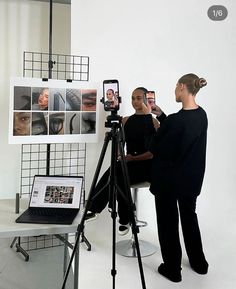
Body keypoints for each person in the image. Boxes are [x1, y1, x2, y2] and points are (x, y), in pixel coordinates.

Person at [149, 73, 209, 282]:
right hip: (191, 181)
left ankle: (172, 269)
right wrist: (163, 116)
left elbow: (156, 147)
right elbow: (181, 134)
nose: (174, 90)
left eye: (176, 86)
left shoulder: (176, 121)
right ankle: (199, 262)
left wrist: (157, 127)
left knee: (168, 222)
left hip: (168, 182)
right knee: (189, 217)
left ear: (183, 87)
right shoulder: (202, 115)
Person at [86, 87, 159, 235]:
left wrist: (131, 158)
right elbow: (120, 145)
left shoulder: (153, 122)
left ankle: (102, 210)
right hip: (129, 163)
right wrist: (120, 154)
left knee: (118, 172)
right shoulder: (126, 121)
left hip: (147, 165)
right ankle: (122, 217)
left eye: (139, 98)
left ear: (146, 99)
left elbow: (152, 153)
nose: (135, 101)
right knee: (117, 169)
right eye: (133, 98)